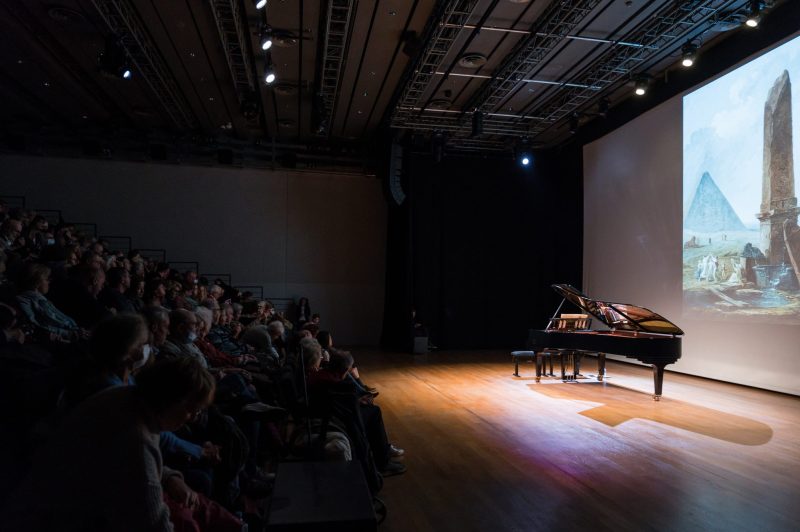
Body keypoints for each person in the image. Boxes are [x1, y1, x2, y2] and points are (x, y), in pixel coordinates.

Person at [1, 357, 242, 532]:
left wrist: (169, 477)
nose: (192, 417)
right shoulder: (134, 435)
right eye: (191, 409)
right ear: (171, 399)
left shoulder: (129, 399)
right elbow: (151, 521)